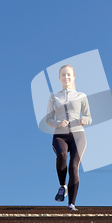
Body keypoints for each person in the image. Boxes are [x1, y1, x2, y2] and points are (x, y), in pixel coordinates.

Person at [46, 65, 92, 211]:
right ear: (59, 78)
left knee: (74, 166)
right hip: (60, 134)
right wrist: (58, 123)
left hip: (78, 134)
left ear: (73, 77)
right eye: (63, 75)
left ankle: (71, 203)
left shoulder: (81, 96)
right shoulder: (54, 97)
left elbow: (89, 116)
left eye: (68, 75)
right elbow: (48, 119)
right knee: (61, 154)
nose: (66, 77)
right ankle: (62, 185)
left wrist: (84, 120)